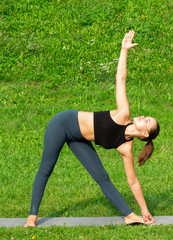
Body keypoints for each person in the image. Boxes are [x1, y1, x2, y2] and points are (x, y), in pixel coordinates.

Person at [24, 30, 160, 227]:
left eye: (146, 121)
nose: (143, 117)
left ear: (144, 134)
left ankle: (129, 216)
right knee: (46, 168)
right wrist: (124, 50)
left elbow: (133, 182)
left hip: (79, 138)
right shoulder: (123, 114)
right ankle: (31, 218)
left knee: (102, 177)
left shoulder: (126, 148)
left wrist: (145, 211)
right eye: (146, 117)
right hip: (62, 123)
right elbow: (120, 78)